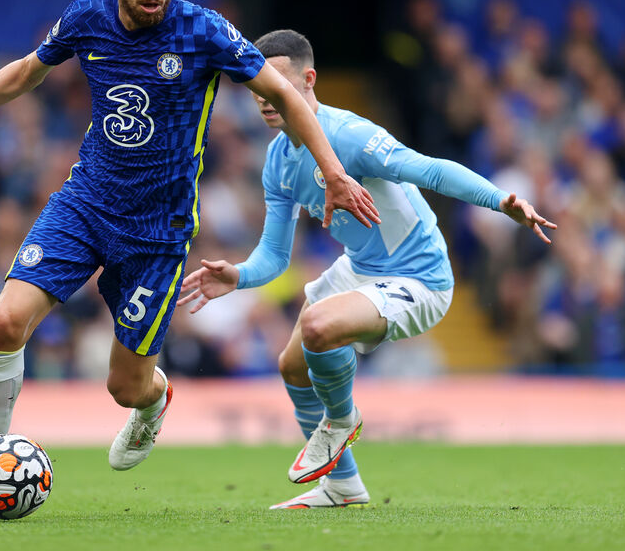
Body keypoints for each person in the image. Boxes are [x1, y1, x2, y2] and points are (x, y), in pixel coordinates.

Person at [0, 0, 380, 516]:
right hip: (86, 203)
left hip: (158, 234)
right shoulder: (86, 18)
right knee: (5, 324)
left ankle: (154, 402)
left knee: (125, 386)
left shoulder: (202, 31)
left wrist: (334, 173)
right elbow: (24, 74)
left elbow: (284, 93)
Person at [178, 29, 555, 509]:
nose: (265, 98)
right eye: (257, 87)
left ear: (309, 79)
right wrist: (238, 276)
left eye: (278, 83)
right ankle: (344, 487)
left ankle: (341, 420)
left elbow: (430, 170)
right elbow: (274, 255)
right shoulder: (278, 160)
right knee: (291, 364)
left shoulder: (349, 136)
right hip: (360, 268)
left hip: (419, 277)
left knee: (316, 326)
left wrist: (500, 201)